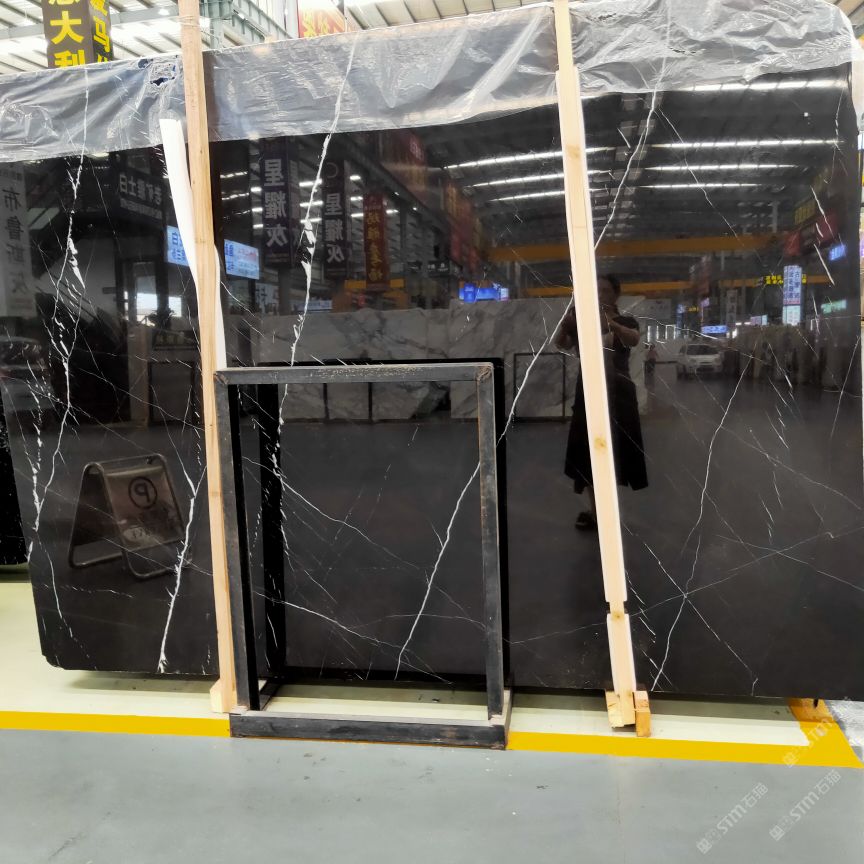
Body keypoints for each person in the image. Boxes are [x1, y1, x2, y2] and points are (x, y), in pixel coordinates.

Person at [555, 274, 648, 530]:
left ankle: (606, 511)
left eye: (605, 290)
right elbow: (561, 344)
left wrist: (610, 323)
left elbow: (633, 339)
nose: (600, 294)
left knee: (616, 452)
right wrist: (565, 327)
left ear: (616, 294)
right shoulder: (582, 320)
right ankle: (598, 512)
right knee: (587, 454)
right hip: (588, 390)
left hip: (618, 393)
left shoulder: (625, 321)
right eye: (596, 290)